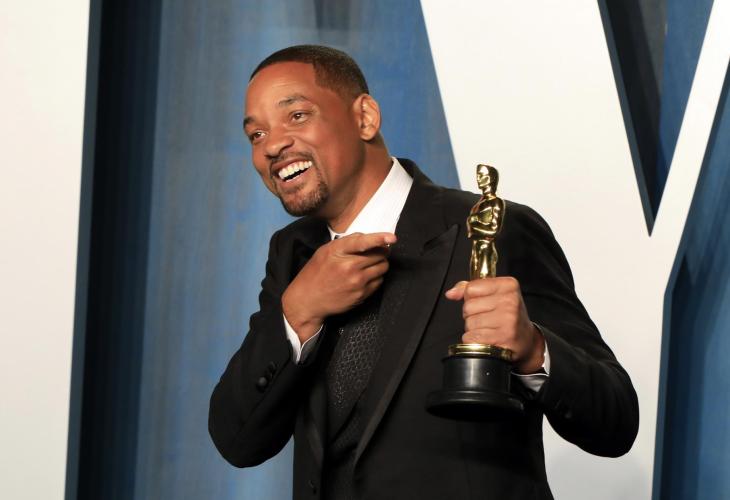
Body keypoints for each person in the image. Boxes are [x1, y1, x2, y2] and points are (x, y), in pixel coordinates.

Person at [209, 45, 638, 500]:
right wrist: (298, 313)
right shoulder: (292, 254)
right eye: (255, 134)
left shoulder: (491, 228)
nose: (272, 145)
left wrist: (534, 349)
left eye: (296, 116)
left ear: (365, 118)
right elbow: (238, 440)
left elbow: (615, 421)